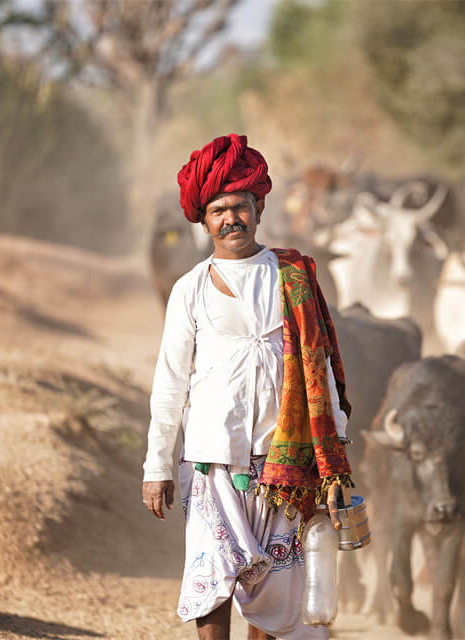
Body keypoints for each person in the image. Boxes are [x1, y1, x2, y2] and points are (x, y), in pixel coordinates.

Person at [142, 133, 353, 640]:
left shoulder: (293, 277)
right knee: (211, 574)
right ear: (203, 219)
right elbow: (170, 381)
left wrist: (335, 451)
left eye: (240, 206)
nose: (230, 218)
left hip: (284, 459)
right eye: (218, 210)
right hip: (212, 461)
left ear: (259, 209)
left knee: (276, 591)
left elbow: (318, 369)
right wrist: (157, 465)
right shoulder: (189, 288)